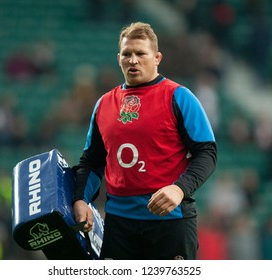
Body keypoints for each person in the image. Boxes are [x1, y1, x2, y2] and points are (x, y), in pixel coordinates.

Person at [72, 22, 217, 260]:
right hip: (119, 224)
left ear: (157, 57)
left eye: (141, 53)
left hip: (170, 221)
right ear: (118, 58)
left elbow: (207, 153)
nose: (133, 60)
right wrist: (81, 199)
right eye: (127, 54)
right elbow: (92, 161)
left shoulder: (179, 97)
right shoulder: (103, 105)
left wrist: (180, 188)